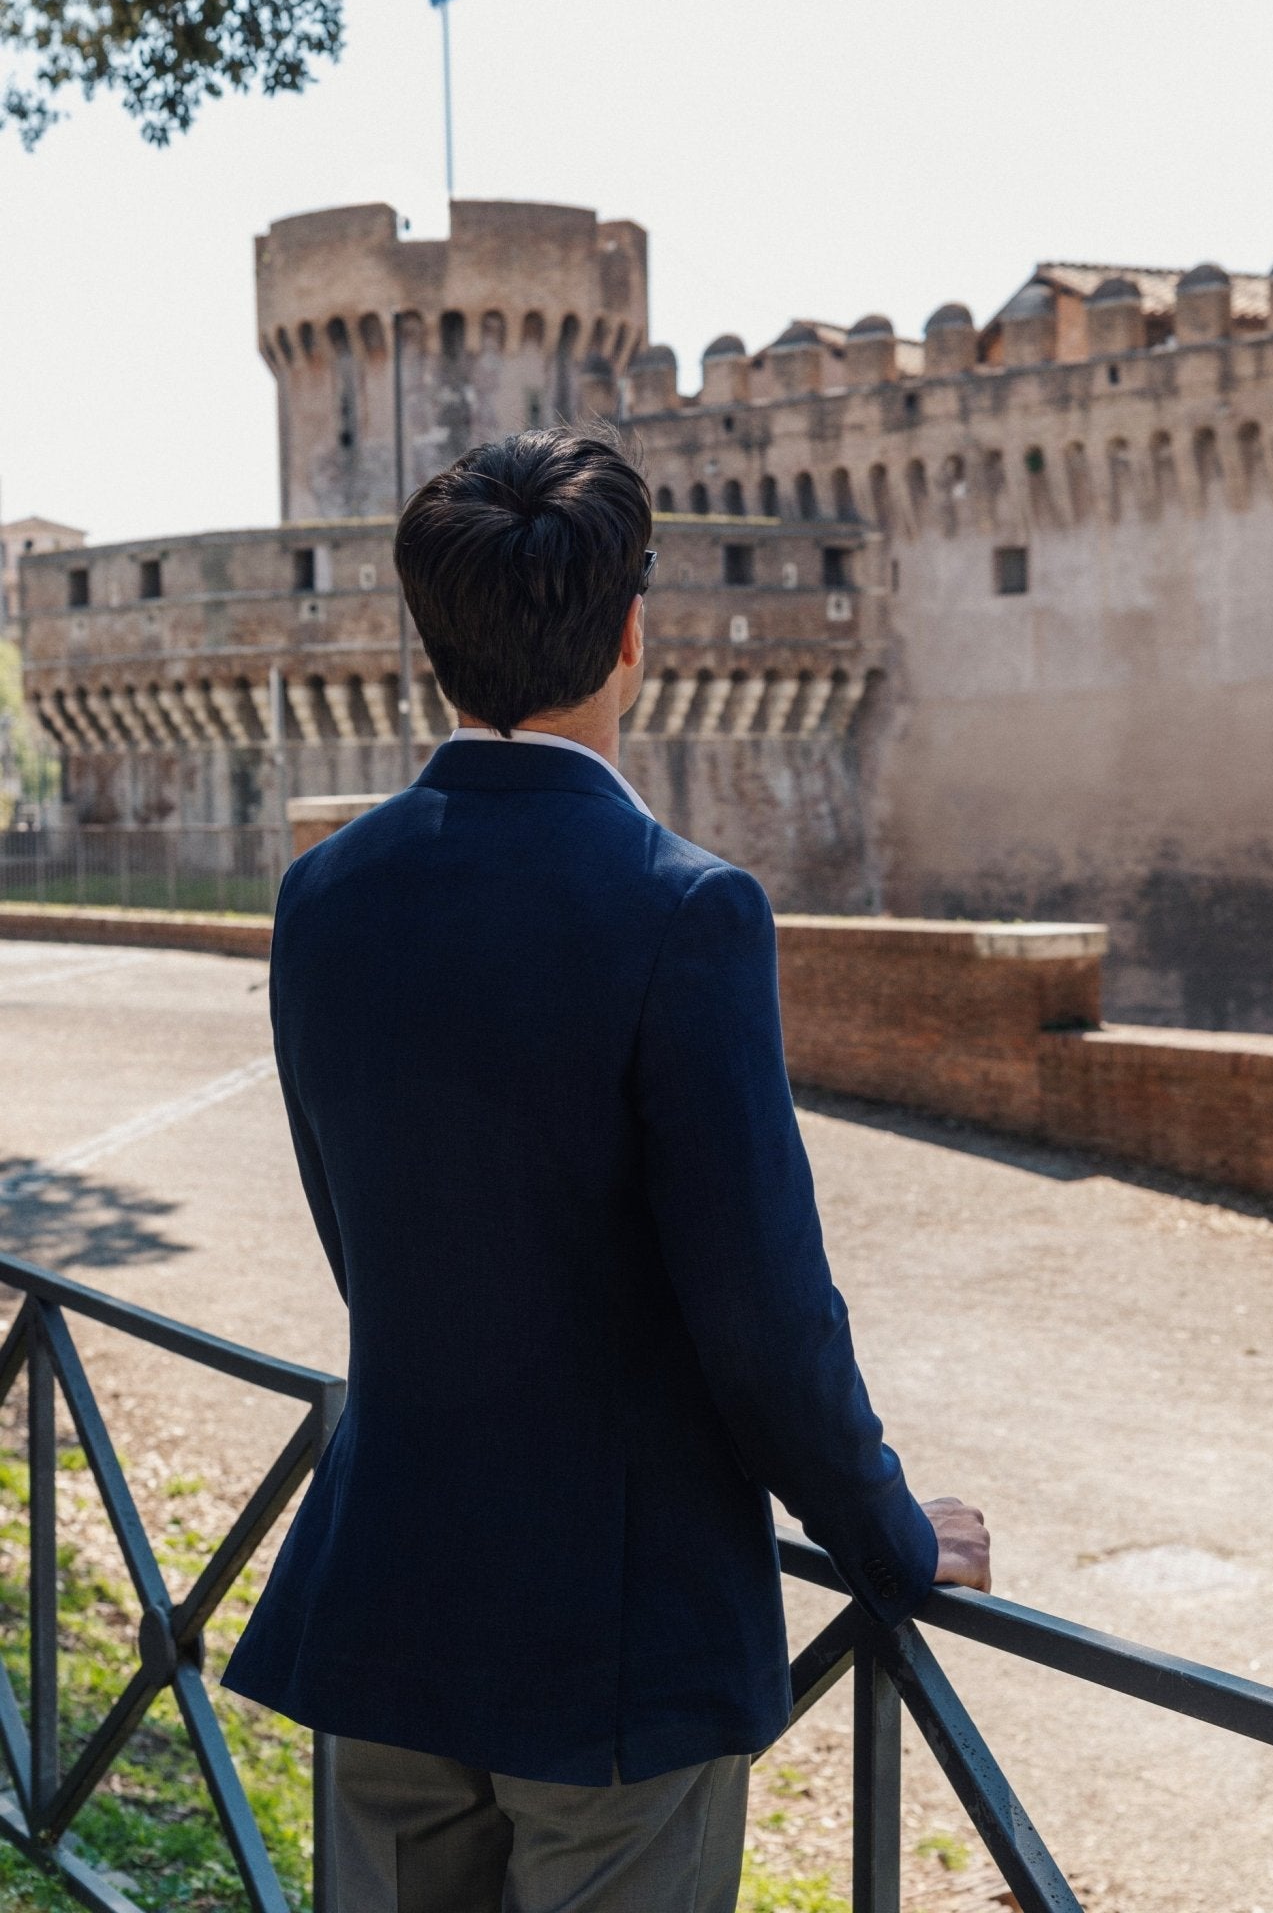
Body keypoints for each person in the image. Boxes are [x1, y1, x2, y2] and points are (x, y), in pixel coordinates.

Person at [224, 426, 990, 1913]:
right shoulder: (687, 910)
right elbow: (765, 1315)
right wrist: (886, 1529)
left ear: (430, 643)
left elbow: (368, 1237)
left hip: (385, 1597)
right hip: (613, 1650)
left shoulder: (321, 897)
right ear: (636, 634)